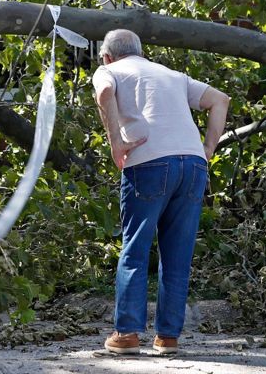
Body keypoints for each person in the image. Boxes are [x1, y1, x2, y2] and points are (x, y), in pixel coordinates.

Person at [92, 29, 230, 356]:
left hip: (148, 162)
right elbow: (220, 100)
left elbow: (104, 94)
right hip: (192, 164)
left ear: (107, 56)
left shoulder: (108, 71)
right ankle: (168, 337)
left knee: (136, 247)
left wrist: (116, 144)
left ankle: (126, 333)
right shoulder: (172, 74)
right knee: (177, 253)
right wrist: (207, 149)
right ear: (140, 51)